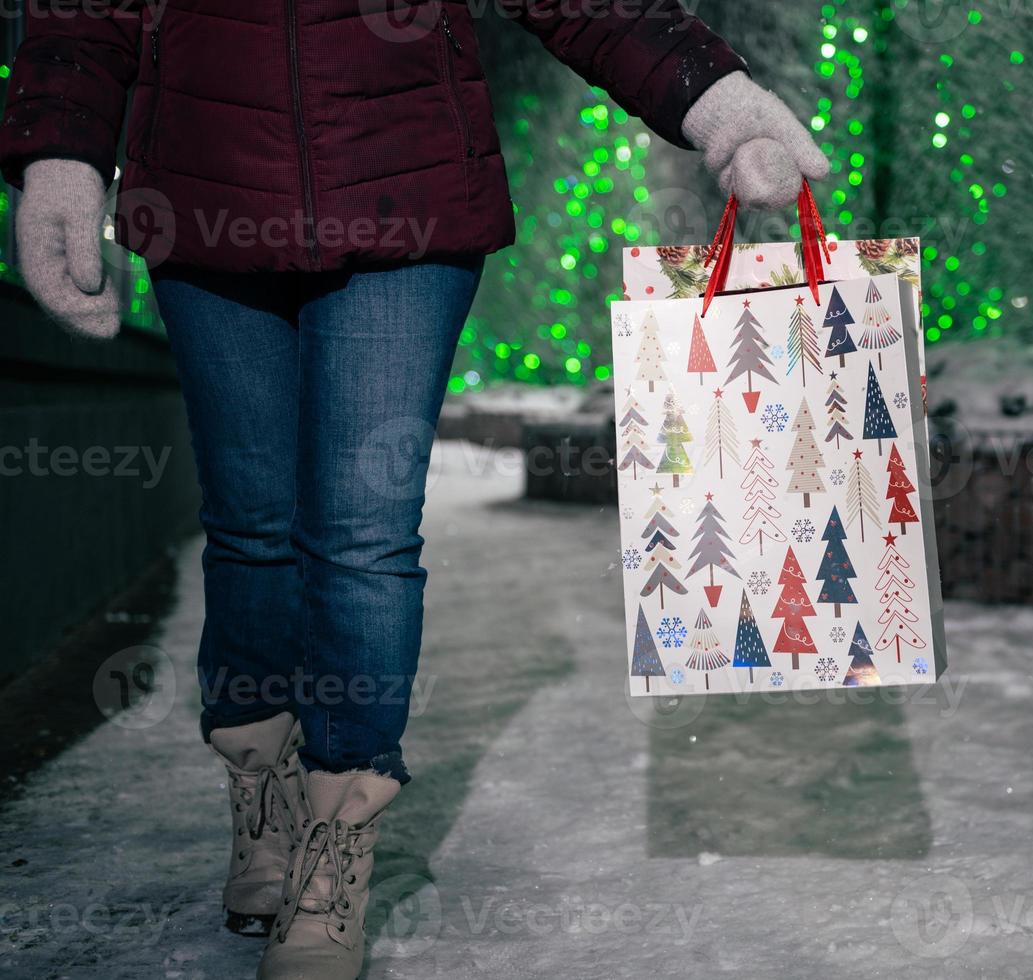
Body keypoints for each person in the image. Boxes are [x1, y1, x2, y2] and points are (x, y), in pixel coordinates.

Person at [0, 3, 827, 977]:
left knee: (363, 534)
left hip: (409, 199)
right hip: (203, 193)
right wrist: (62, 150)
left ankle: (336, 839)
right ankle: (263, 793)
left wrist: (717, 102)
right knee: (251, 525)